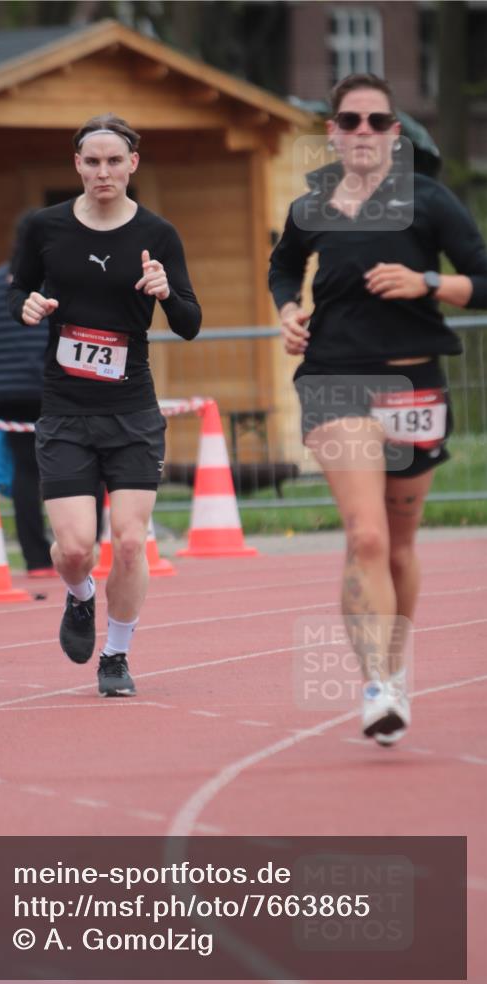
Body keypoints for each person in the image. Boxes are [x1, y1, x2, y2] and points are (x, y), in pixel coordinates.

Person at [269, 73, 487, 745]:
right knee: (364, 535)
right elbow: (281, 267)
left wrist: (425, 280)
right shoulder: (310, 207)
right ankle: (375, 687)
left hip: (414, 385)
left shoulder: (429, 201)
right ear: (331, 133)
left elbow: (482, 279)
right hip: (337, 381)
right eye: (349, 121)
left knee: (397, 546)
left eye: (374, 122)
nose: (361, 131)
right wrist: (287, 312)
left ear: (395, 133)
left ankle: (393, 669)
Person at [8, 113, 201, 696]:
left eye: (114, 161)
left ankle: (116, 655)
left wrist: (168, 293)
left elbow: (190, 323)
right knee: (73, 548)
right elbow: (18, 289)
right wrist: (29, 305)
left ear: (132, 165)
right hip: (65, 408)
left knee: (131, 540)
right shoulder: (43, 227)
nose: (103, 172)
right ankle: (80, 596)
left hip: (133, 409)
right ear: (77, 165)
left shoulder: (158, 235)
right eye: (92, 162)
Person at [0, 212, 54, 577]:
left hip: (0, 390)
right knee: (67, 463)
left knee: (25, 471)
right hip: (41, 387)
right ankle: (73, 547)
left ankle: (35, 559)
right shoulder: (50, 278)